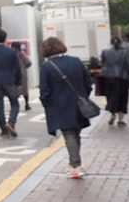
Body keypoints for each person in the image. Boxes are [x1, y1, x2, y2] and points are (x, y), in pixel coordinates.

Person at [39, 37, 93, 178]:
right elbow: (88, 82)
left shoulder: (47, 66)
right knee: (75, 133)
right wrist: (83, 97)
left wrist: (47, 103)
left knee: (69, 134)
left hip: (60, 106)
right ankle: (74, 163)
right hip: (78, 104)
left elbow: (44, 90)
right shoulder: (76, 61)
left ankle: (75, 166)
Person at [100, 36, 129, 128]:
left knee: (111, 95)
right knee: (123, 97)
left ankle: (112, 112)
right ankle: (120, 120)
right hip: (123, 77)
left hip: (109, 77)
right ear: (121, 42)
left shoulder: (105, 52)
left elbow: (103, 63)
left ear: (111, 43)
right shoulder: (125, 52)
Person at [12, 42, 33, 111]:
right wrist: (24, 67)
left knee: (13, 91)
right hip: (22, 74)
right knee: (25, 91)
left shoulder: (10, 54)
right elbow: (29, 63)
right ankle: (26, 104)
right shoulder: (21, 54)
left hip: (12, 74)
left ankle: (14, 106)